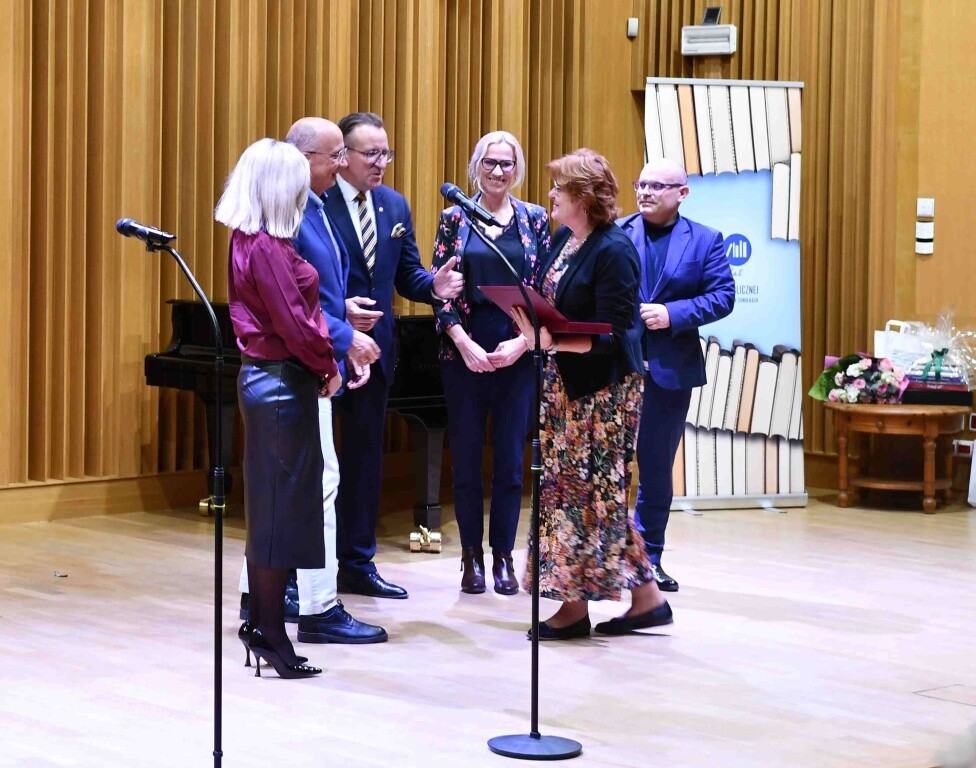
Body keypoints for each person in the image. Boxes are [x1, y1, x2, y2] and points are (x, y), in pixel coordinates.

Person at [236, 117, 389, 644]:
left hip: (298, 362)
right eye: (335, 155)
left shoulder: (315, 206)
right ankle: (317, 607)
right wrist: (338, 349)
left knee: (282, 491)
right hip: (294, 368)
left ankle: (257, 600)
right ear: (303, 160)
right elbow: (291, 309)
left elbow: (311, 292)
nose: (343, 164)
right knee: (316, 487)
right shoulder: (284, 219)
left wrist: (341, 312)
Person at [510, 149, 670, 639]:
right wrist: (522, 339)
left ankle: (573, 608)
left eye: (559, 188)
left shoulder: (614, 249)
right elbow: (553, 312)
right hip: (565, 387)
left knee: (581, 497)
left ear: (582, 196)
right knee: (592, 497)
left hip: (602, 394)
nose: (551, 195)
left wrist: (552, 342)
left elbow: (615, 336)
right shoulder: (566, 239)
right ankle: (648, 599)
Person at [325, 112, 463, 599]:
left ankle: (357, 564)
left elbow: (408, 277)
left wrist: (435, 286)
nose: (381, 162)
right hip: (325, 348)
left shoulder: (393, 204)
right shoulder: (316, 203)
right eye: (371, 153)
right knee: (318, 465)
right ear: (342, 156)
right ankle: (309, 569)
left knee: (364, 460)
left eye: (386, 153)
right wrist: (338, 312)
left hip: (376, 353)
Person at [215, 137, 340, 677]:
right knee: (279, 514)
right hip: (282, 384)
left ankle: (266, 626)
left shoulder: (254, 239)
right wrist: (329, 364)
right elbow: (293, 322)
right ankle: (269, 631)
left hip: (274, 382)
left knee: (277, 511)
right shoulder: (265, 244)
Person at [430, 131, 550, 595]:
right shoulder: (454, 217)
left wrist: (522, 343)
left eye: (506, 163)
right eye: (490, 163)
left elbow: (545, 289)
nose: (498, 171)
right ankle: (470, 558)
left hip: (517, 352)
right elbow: (441, 290)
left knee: (510, 463)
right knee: (464, 461)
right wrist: (463, 344)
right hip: (464, 352)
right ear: (476, 166)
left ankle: (503, 556)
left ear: (517, 169)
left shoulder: (534, 219)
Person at [616, 158, 735, 592]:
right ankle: (609, 558)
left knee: (655, 469)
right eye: (641, 184)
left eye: (656, 186)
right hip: (615, 366)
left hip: (669, 371)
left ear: (682, 193)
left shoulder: (705, 240)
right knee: (609, 467)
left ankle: (648, 562)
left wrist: (673, 313)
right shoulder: (616, 233)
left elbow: (723, 296)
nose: (645, 192)